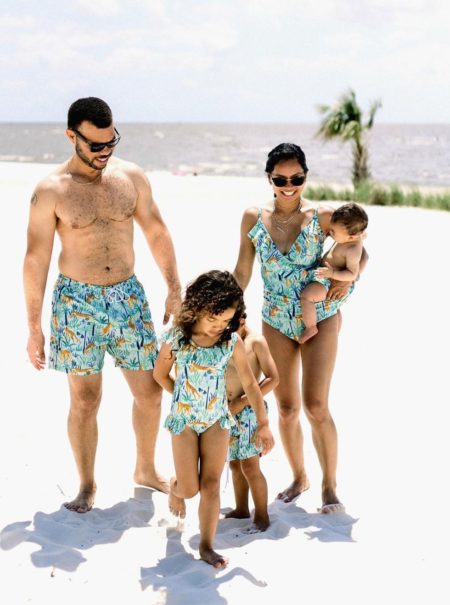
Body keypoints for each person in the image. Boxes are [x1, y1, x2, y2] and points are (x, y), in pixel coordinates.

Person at [23, 97, 181, 513]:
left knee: (149, 392)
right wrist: (34, 327)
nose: (104, 153)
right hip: (77, 302)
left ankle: (145, 469)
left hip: (127, 295)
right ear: (71, 136)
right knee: (86, 400)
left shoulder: (130, 177)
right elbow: (35, 259)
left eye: (110, 142)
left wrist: (173, 287)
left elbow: (157, 231)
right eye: (95, 146)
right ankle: (87, 484)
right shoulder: (50, 191)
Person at [233, 142, 368, 513]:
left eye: (297, 178)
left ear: (306, 177)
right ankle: (298, 477)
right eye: (280, 178)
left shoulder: (324, 217)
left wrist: (350, 279)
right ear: (269, 179)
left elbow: (359, 245)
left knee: (316, 405)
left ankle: (329, 486)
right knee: (288, 408)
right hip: (275, 320)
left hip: (320, 316)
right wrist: (226, 308)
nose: (289, 185)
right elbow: (243, 272)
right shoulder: (252, 218)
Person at [153, 271, 274, 568]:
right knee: (190, 488)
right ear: (198, 307)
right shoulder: (177, 339)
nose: (219, 327)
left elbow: (249, 384)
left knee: (211, 485)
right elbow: (159, 375)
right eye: (213, 320)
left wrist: (263, 422)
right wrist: (182, 396)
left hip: (217, 422)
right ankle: (175, 486)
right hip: (184, 421)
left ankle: (207, 545)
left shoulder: (230, 342)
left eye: (226, 322)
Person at [224, 314, 279, 533]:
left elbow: (273, 378)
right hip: (228, 411)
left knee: (250, 465)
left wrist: (242, 401)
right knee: (235, 463)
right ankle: (241, 508)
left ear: (243, 320)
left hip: (249, 410)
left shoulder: (255, 341)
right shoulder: (224, 338)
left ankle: (262, 515)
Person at [299, 202, 368, 344]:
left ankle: (311, 327)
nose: (330, 233)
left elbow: (352, 274)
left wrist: (332, 273)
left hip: (331, 281)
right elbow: (363, 235)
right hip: (327, 275)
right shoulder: (354, 236)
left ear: (351, 236)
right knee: (333, 310)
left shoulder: (352, 250)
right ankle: (334, 330)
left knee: (307, 296)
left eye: (334, 232)